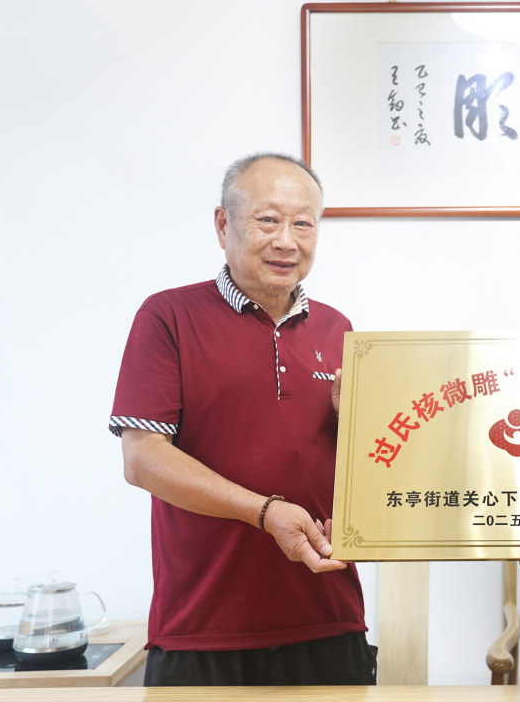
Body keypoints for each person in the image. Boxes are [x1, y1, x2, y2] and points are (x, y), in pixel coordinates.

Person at [109, 153, 375, 686]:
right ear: (222, 224)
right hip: (202, 629)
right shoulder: (168, 316)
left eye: (304, 224)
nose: (287, 241)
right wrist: (265, 512)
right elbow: (142, 460)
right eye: (268, 220)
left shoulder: (339, 328)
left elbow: (362, 467)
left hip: (328, 615)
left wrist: (356, 428)